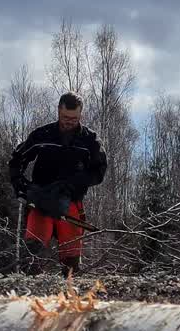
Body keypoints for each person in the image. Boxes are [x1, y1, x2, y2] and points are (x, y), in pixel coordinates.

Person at [8, 91, 107, 276]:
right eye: (65, 117)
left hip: (71, 203)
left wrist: (76, 183)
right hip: (40, 202)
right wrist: (20, 186)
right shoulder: (42, 135)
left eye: (74, 118)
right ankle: (29, 295)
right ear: (58, 111)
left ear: (81, 115)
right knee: (32, 257)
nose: (69, 121)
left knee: (71, 262)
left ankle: (70, 297)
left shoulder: (90, 140)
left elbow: (100, 170)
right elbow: (16, 160)